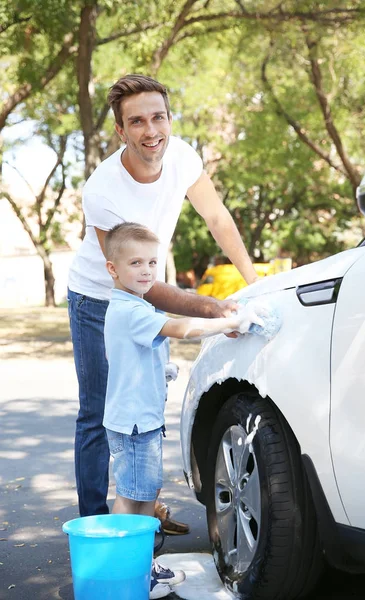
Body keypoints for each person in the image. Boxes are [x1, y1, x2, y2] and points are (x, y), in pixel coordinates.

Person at [67, 73, 259, 524]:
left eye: (158, 117)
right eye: (137, 122)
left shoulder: (182, 158)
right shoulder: (101, 191)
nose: (151, 131)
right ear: (120, 131)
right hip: (99, 300)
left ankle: (141, 505)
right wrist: (212, 307)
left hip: (144, 289)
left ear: (170, 119)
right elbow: (141, 284)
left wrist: (251, 284)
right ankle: (97, 528)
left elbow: (217, 217)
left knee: (145, 405)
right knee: (99, 413)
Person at [103, 222, 263, 599]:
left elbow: (136, 357)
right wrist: (228, 322)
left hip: (133, 417)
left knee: (140, 492)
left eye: (152, 263)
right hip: (136, 422)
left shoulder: (130, 306)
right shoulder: (132, 311)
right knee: (133, 495)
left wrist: (163, 371)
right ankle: (127, 569)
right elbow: (181, 328)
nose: (145, 271)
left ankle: (133, 566)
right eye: (136, 263)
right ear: (113, 269)